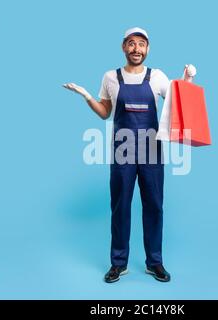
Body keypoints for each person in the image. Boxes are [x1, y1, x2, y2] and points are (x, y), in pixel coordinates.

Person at [63, 27, 195, 283]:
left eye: (142, 44)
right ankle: (118, 263)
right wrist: (87, 95)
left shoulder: (157, 77)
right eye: (132, 44)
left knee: (154, 206)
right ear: (124, 47)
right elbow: (105, 113)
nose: (137, 49)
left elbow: (178, 102)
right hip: (122, 153)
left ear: (148, 49)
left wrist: (186, 80)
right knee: (120, 207)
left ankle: (154, 262)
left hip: (152, 151)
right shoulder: (111, 77)